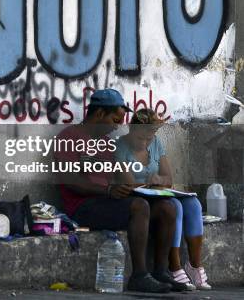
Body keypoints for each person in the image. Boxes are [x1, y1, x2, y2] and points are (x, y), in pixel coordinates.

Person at [55, 89, 186, 293]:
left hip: (107, 201)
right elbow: (70, 180)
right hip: (82, 207)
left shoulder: (107, 143)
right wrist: (108, 190)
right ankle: (139, 275)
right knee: (139, 207)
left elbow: (116, 178)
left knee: (167, 208)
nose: (118, 125)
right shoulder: (69, 137)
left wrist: (135, 187)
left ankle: (161, 272)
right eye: (115, 119)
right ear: (99, 114)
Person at [115, 108, 211, 290]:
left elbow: (168, 179)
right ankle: (173, 267)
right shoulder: (121, 146)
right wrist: (150, 185)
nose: (144, 143)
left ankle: (195, 266)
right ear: (131, 129)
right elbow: (129, 184)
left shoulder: (156, 144)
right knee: (174, 206)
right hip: (141, 200)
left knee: (194, 204)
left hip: (156, 194)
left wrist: (159, 180)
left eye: (149, 138)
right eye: (140, 138)